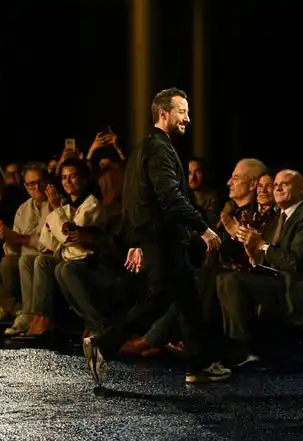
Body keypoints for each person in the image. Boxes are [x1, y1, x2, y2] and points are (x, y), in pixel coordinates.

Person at [83, 87, 230, 386]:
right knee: (158, 301)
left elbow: (135, 198)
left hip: (158, 239)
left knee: (187, 301)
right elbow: (170, 197)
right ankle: (105, 344)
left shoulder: (145, 147)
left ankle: (198, 365)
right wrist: (204, 228)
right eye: (182, 112)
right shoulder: (159, 148)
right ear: (164, 113)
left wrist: (136, 240)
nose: (188, 119)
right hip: (164, 241)